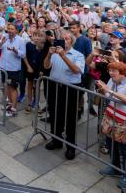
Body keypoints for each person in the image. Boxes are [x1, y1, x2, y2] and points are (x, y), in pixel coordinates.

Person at [43, 30, 85, 160]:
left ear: (71, 41)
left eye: (67, 39)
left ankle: (71, 146)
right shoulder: (55, 53)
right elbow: (46, 66)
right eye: (62, 38)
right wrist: (49, 55)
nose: (64, 40)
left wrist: (63, 56)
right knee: (55, 115)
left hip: (70, 90)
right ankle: (56, 140)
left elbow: (77, 70)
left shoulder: (78, 55)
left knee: (70, 118)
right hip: (54, 87)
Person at [97, 62, 126, 190]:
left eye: (114, 70)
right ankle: (115, 167)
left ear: (123, 73)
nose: (111, 73)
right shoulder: (112, 81)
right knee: (110, 142)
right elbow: (108, 95)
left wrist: (108, 90)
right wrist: (103, 90)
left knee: (124, 149)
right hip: (111, 116)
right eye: (110, 70)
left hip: (124, 120)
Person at [0, 23, 26, 117]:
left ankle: (14, 108)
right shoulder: (4, 37)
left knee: (13, 88)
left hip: (13, 68)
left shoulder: (21, 40)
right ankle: (9, 104)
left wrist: (15, 51)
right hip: (3, 67)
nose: (10, 30)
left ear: (16, 30)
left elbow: (23, 55)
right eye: (9, 28)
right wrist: (1, 42)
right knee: (6, 86)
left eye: (12, 29)